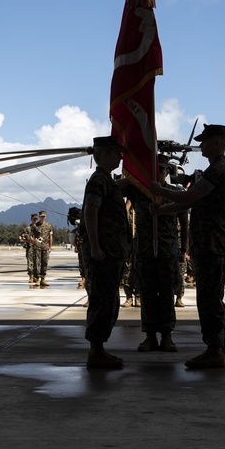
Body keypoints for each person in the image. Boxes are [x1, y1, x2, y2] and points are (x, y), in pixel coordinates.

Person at [151, 123, 225, 370]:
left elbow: (188, 197)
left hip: (212, 245)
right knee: (212, 299)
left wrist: (160, 191)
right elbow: (190, 204)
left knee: (209, 300)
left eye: (206, 141)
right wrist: (163, 209)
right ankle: (219, 348)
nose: (201, 146)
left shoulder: (218, 171)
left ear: (219, 142)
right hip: (210, 246)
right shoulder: (215, 170)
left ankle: (214, 350)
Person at [122, 155, 188, 353]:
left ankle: (167, 336)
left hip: (168, 251)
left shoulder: (175, 192)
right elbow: (117, 187)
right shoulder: (138, 191)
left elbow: (184, 223)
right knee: (147, 294)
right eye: (154, 169)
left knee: (167, 294)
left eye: (161, 169)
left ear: (168, 172)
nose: (158, 173)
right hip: (144, 250)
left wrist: (184, 249)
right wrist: (137, 176)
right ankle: (150, 335)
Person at [81, 136, 131, 369]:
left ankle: (99, 349)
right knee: (102, 301)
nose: (121, 157)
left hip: (112, 252)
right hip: (104, 253)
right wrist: (95, 246)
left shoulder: (107, 181)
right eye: (116, 153)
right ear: (103, 155)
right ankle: (96, 352)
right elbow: (91, 212)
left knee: (109, 300)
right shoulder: (98, 180)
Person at [31, 210, 53, 288]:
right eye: (41, 216)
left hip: (45, 247)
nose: (42, 218)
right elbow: (31, 235)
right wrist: (33, 241)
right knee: (37, 263)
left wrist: (50, 247)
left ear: (45, 217)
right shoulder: (35, 226)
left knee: (45, 263)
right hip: (37, 247)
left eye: (44, 216)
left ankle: (43, 279)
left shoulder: (49, 226)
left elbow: (50, 237)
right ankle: (37, 279)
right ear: (39, 217)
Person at [21, 213, 37, 284]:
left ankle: (36, 277)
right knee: (30, 262)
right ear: (31, 219)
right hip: (30, 247)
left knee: (37, 262)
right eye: (34, 219)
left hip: (37, 248)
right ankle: (31, 276)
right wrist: (28, 241)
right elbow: (22, 237)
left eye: (36, 219)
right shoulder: (28, 228)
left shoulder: (39, 227)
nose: (35, 221)